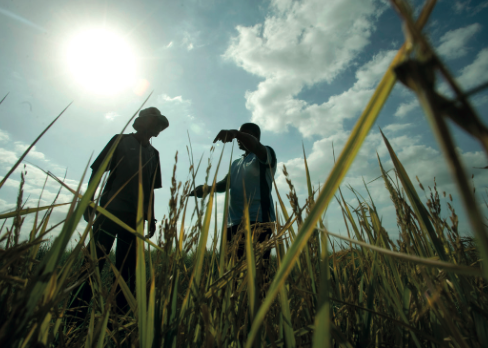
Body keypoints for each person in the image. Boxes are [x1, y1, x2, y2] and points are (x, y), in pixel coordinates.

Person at [69, 107, 168, 320]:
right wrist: (89, 200)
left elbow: (150, 189)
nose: (157, 127)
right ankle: (74, 315)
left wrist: (151, 218)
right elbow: (98, 170)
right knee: (93, 263)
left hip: (135, 219)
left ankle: (119, 319)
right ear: (141, 122)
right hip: (110, 211)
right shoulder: (120, 140)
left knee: (127, 270)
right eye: (154, 121)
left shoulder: (154, 154)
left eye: (159, 124)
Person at [189, 123, 277, 272]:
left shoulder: (265, 154)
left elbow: (255, 145)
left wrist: (236, 133)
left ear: (255, 137)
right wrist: (207, 189)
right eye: (239, 135)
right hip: (233, 224)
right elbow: (225, 184)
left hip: (258, 222)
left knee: (258, 274)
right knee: (231, 273)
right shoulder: (237, 163)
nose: (239, 139)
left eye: (245, 134)